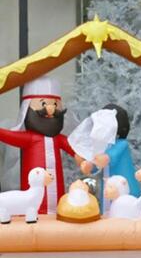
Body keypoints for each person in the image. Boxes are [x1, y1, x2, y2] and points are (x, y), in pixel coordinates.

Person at [0, 77, 105, 216]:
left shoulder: (58, 139)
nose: (51, 109)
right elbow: (8, 135)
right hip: (34, 208)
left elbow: (74, 149)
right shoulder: (29, 138)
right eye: (43, 103)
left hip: (57, 202)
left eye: (55, 104)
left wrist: (83, 161)